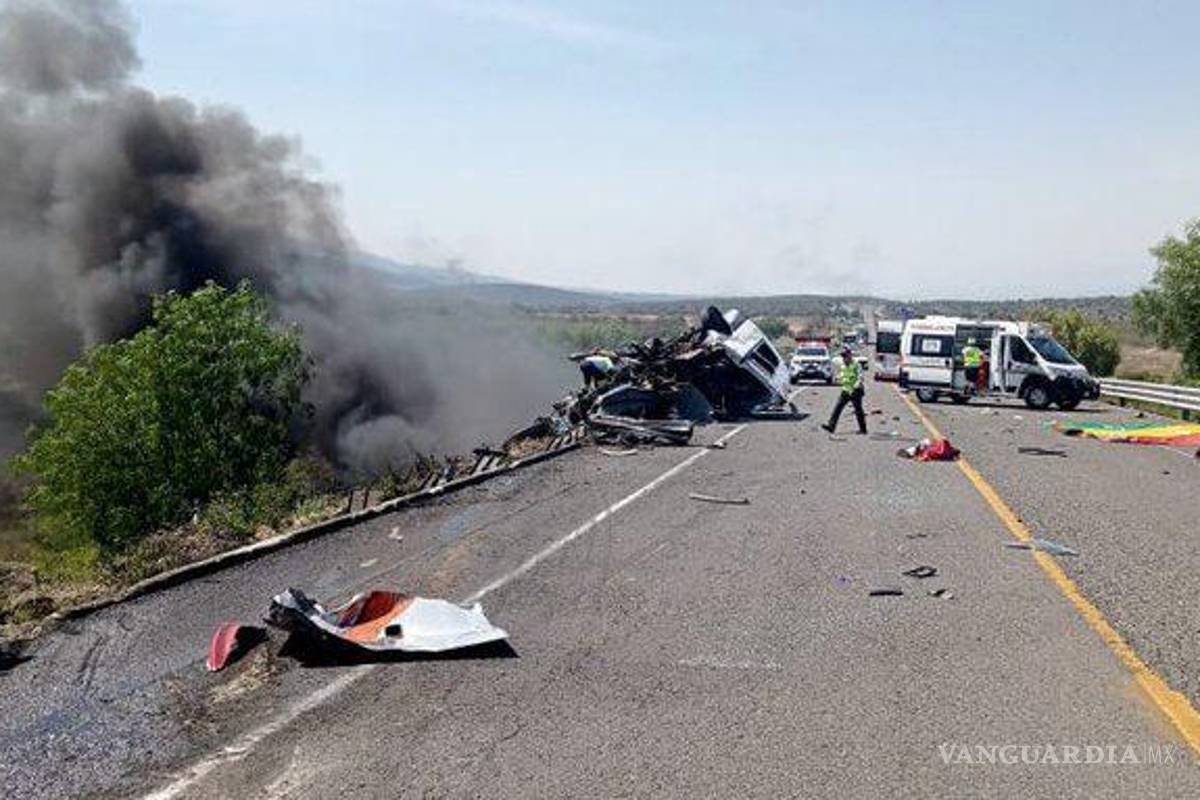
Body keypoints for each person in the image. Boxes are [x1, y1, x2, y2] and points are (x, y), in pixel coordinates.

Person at [821, 347, 867, 434]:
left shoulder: (856, 365)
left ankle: (863, 429)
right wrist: (838, 378)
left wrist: (856, 385)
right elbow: (842, 375)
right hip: (846, 390)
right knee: (837, 408)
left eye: (845, 356)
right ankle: (831, 426)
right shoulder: (843, 366)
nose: (844, 358)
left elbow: (860, 376)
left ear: (850, 355)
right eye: (843, 356)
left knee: (858, 410)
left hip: (856, 391)